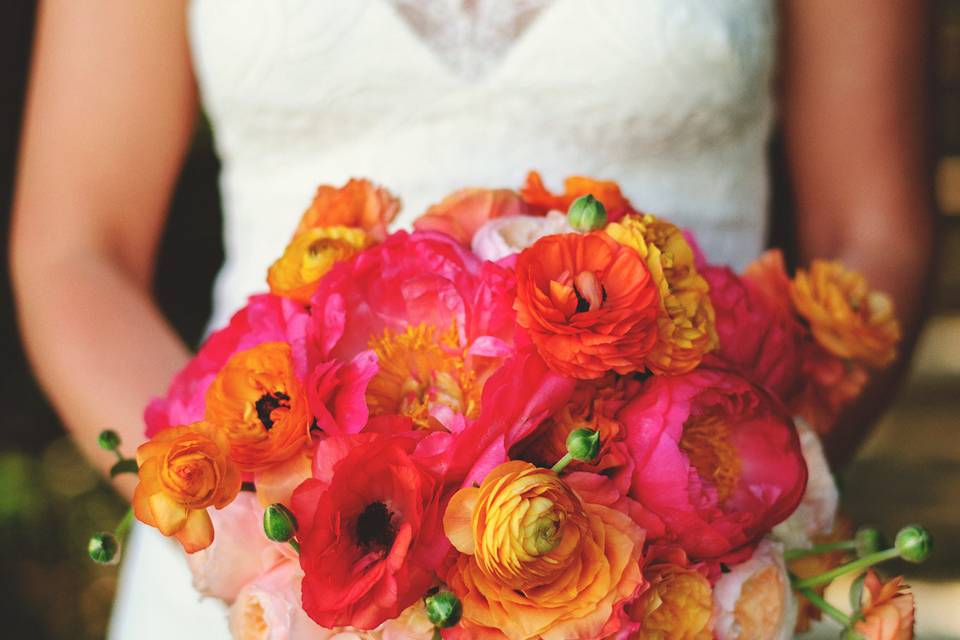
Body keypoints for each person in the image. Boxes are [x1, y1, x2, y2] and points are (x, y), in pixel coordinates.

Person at [9, 1, 935, 638]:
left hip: (691, 588)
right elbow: (77, 250)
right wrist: (260, 541)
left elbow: (871, 231)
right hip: (276, 592)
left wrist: (704, 522)